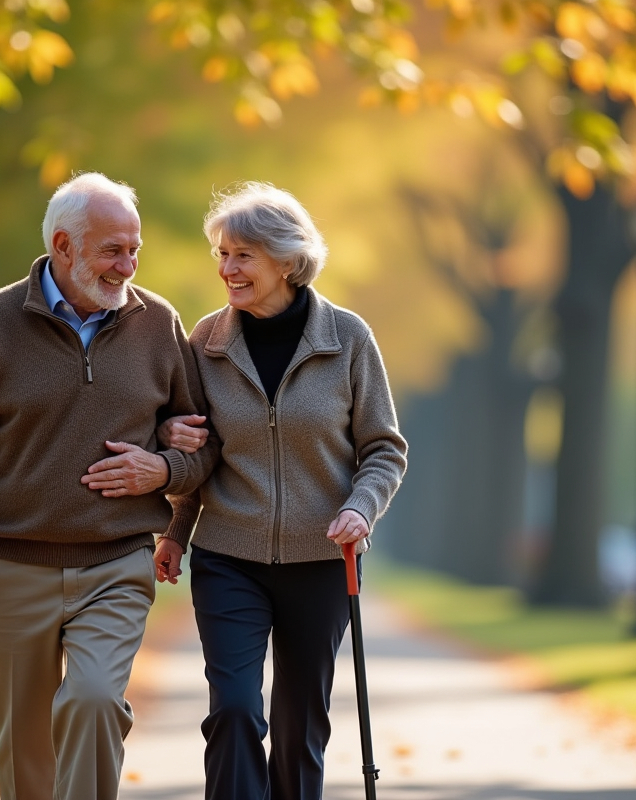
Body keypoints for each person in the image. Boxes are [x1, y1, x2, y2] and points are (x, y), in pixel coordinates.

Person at [0, 172, 216, 800]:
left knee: (95, 701)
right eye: (112, 250)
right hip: (12, 564)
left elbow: (202, 443)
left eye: (135, 249)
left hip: (116, 560)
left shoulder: (159, 324)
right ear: (63, 246)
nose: (127, 265)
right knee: (22, 743)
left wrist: (164, 471)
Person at [152, 182, 407, 800]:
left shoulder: (347, 339)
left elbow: (383, 449)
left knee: (300, 727)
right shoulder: (206, 344)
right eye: (222, 253)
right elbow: (202, 451)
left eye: (243, 255)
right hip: (229, 556)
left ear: (287, 260)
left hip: (323, 559)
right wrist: (175, 532)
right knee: (235, 711)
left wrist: (359, 507)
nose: (227, 268)